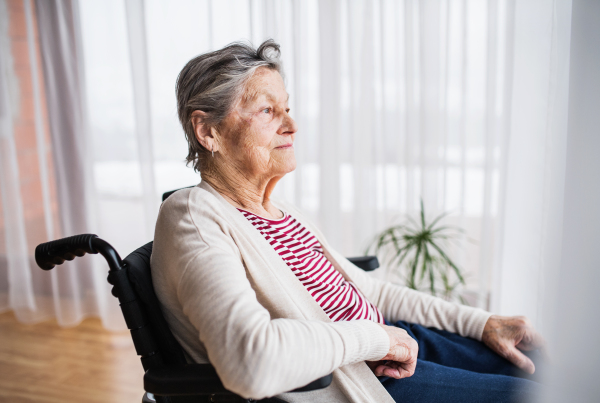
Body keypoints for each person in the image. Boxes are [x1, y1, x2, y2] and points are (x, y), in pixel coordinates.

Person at [151, 40, 544, 403]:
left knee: (546, 369)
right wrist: (376, 339)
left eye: (287, 107)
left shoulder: (280, 212)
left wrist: (483, 323)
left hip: (386, 343)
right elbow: (251, 361)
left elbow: (374, 293)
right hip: (363, 381)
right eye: (267, 111)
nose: (291, 125)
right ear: (208, 131)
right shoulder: (194, 217)